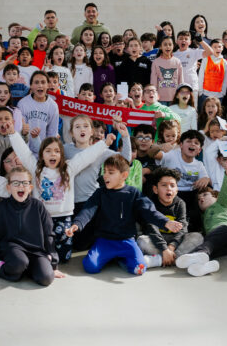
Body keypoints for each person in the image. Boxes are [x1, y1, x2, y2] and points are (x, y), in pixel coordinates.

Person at [65, 155, 184, 275]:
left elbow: (149, 211)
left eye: (111, 172)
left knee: (139, 269)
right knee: (90, 267)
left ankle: (119, 259)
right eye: (104, 172)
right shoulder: (100, 193)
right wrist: (77, 224)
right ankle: (113, 256)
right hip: (104, 241)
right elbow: (88, 210)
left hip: (127, 241)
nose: (105, 175)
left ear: (124, 175)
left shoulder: (133, 193)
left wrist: (166, 222)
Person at [10, 127, 112, 264]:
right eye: (48, 151)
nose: (53, 154)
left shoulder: (68, 169)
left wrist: (104, 143)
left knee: (64, 258)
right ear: (42, 155)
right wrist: (13, 134)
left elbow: (86, 156)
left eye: (57, 151)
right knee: (44, 256)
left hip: (64, 218)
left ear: (61, 155)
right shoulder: (36, 169)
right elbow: (24, 153)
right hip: (41, 218)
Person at [0, 167, 60, 286]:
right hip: (13, 250)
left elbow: (49, 234)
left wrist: (53, 263)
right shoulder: (2, 207)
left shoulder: (38, 206)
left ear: (30, 187)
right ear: (9, 187)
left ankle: (26, 269)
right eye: (16, 183)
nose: (20, 186)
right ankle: (5, 268)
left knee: (46, 278)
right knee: (19, 263)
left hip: (36, 251)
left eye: (24, 183)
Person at [65, 115, 131, 251]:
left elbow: (125, 160)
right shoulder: (65, 149)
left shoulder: (100, 150)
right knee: (77, 245)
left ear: (92, 131)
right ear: (71, 132)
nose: (82, 129)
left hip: (91, 202)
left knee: (90, 243)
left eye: (86, 126)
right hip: (69, 203)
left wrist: (125, 136)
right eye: (77, 127)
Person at [175, 162, 227, 276]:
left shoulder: (222, 203)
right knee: (209, 251)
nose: (201, 199)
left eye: (205, 195)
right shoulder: (203, 216)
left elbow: (225, 190)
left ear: (216, 196)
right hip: (226, 247)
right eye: (199, 199)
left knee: (207, 245)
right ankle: (203, 267)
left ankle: (198, 254)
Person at [136, 167, 203, 269]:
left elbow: (183, 228)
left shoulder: (180, 203)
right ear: (155, 189)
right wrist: (164, 248)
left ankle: (162, 259)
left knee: (198, 237)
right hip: (156, 240)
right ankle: (178, 259)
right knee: (142, 241)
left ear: (177, 190)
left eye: (172, 185)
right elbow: (151, 228)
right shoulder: (150, 203)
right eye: (164, 185)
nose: (169, 189)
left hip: (175, 242)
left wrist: (171, 247)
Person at [159, 130, 210, 233]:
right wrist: (160, 147)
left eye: (196, 143)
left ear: (199, 150)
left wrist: (206, 179)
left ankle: (195, 231)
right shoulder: (172, 155)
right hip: (172, 193)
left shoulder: (199, 165)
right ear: (181, 145)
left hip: (190, 195)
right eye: (189, 141)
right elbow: (153, 154)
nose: (192, 144)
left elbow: (205, 178)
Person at [17, 72, 60, 153]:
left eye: (43, 82)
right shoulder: (22, 104)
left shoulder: (53, 106)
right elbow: (19, 132)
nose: (40, 85)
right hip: (25, 151)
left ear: (48, 85)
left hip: (43, 151)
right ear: (31, 86)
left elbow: (52, 133)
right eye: (36, 82)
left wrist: (47, 152)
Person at [150, 37, 185, 104]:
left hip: (175, 98)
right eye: (165, 44)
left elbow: (181, 80)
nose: (168, 47)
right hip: (160, 99)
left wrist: (181, 94)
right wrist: (154, 96)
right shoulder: (156, 62)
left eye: (170, 44)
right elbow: (153, 81)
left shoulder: (177, 61)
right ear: (160, 47)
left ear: (173, 46)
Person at [197, 39, 227, 108]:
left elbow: (225, 79)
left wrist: (223, 93)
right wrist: (200, 92)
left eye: (219, 47)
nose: (217, 49)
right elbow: (201, 76)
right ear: (211, 48)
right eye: (215, 47)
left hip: (218, 96)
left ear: (222, 48)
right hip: (205, 94)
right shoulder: (206, 59)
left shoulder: (224, 62)